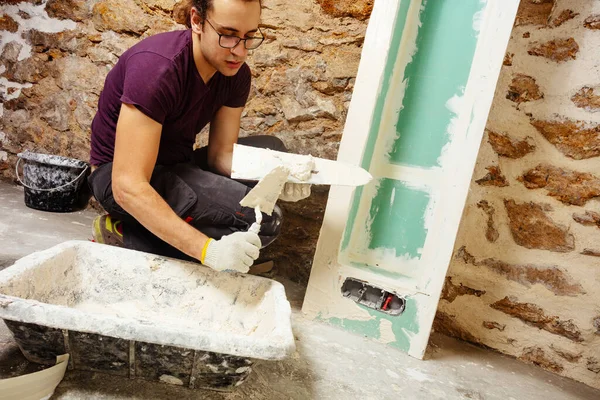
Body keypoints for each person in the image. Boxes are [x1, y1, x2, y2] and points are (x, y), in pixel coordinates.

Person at [87, 0, 311, 273]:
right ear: (196, 20)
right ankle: (128, 233)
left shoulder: (235, 72)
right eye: (228, 35)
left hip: (177, 164)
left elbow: (221, 155)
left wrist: (274, 177)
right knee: (265, 220)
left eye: (249, 37)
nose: (239, 52)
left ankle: (159, 233)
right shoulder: (156, 70)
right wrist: (209, 251)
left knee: (274, 151)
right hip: (118, 177)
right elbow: (127, 186)